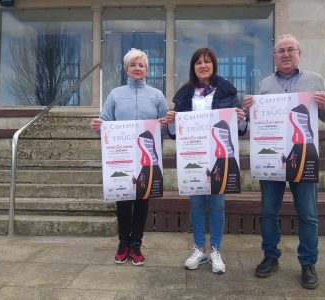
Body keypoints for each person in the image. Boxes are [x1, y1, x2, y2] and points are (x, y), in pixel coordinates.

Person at [243, 34, 325, 289]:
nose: (285, 54)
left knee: (308, 213)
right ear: (273, 57)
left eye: (290, 50)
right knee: (268, 212)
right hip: (272, 158)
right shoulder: (264, 84)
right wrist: (248, 109)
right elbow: (253, 122)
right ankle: (270, 257)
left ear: (299, 53)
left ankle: (308, 263)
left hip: (304, 155)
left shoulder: (314, 80)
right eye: (280, 51)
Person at [166, 47, 247, 274]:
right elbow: (174, 134)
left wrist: (241, 119)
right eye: (198, 62)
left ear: (214, 65)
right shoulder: (184, 95)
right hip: (193, 157)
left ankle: (215, 250)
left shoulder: (227, 92)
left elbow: (240, 130)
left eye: (207, 62)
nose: (203, 66)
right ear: (193, 67)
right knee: (197, 204)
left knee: (218, 204)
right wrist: (172, 121)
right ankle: (199, 248)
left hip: (219, 157)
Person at [90, 48, 168, 266]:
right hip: (122, 157)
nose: (137, 68)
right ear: (126, 68)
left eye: (141, 65)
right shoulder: (115, 94)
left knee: (142, 201)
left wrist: (166, 124)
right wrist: (98, 125)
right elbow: (105, 123)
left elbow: (165, 128)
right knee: (123, 201)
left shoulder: (157, 95)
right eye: (133, 64)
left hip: (147, 159)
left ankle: (136, 244)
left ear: (147, 69)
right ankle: (123, 243)